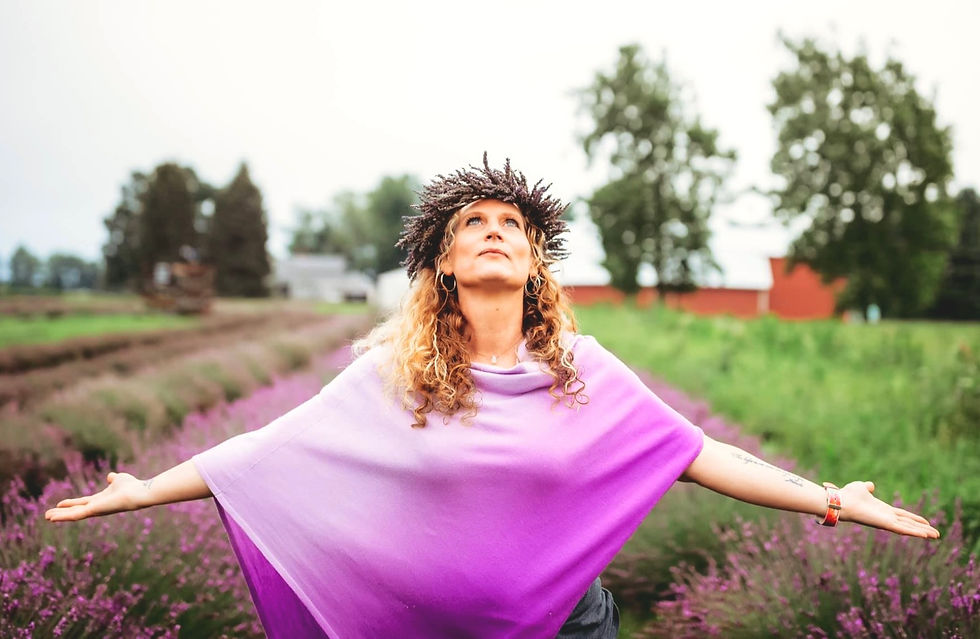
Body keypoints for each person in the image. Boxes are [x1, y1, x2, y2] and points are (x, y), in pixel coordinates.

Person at [46, 155, 940, 639]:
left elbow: (702, 457)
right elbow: (266, 450)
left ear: (533, 262)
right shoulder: (392, 374)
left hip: (569, 625)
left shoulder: (586, 372)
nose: (494, 231)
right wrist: (143, 489)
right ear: (442, 262)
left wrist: (832, 499)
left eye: (511, 224)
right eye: (472, 222)